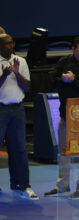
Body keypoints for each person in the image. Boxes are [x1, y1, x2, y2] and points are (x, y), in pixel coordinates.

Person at [45, 36, 79, 199]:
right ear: (73, 49)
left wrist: (74, 81)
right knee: (63, 152)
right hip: (65, 115)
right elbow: (52, 83)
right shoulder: (63, 62)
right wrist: (63, 79)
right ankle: (62, 185)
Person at [0, 34, 38, 200]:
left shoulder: (20, 61)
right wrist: (3, 76)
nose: (10, 45)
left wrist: (16, 73)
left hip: (17, 109)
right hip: (0, 109)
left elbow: (27, 87)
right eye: (7, 43)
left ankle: (22, 185)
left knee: (20, 149)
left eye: (12, 42)